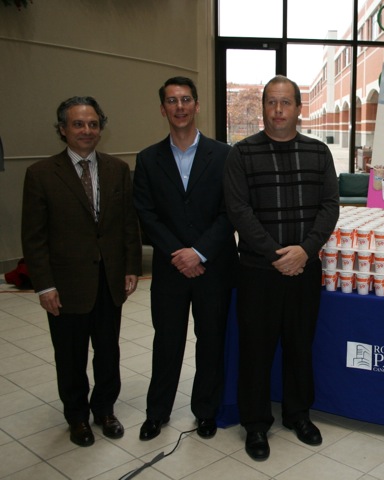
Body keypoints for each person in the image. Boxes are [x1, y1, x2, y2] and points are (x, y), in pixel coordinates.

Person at [223, 75, 339, 461]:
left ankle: (298, 414)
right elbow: (239, 211)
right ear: (263, 108)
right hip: (258, 272)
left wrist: (305, 251)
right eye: (271, 102)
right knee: (255, 349)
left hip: (305, 269)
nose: (278, 110)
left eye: (285, 102)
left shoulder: (318, 152)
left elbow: (330, 206)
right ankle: (256, 424)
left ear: (299, 109)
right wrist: (276, 255)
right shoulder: (242, 154)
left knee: (299, 345)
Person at [21, 96, 142, 447]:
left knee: (108, 352)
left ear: (100, 128)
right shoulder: (41, 174)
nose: (86, 130)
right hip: (67, 285)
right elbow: (34, 237)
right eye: (78, 124)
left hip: (109, 281)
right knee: (70, 355)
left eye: (93, 124)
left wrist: (131, 267)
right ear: (63, 129)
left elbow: (128, 224)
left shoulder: (117, 169)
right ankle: (76, 417)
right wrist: (44, 286)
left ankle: (105, 409)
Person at [133, 76, 238, 441]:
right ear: (163, 109)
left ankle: (206, 411)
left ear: (197, 105)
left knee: (211, 341)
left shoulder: (224, 155)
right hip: (170, 268)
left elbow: (230, 211)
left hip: (214, 266)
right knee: (167, 341)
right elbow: (146, 213)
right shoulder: (148, 159)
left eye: (186, 99)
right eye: (172, 101)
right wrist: (179, 254)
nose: (179, 107)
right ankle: (157, 412)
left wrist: (199, 252)